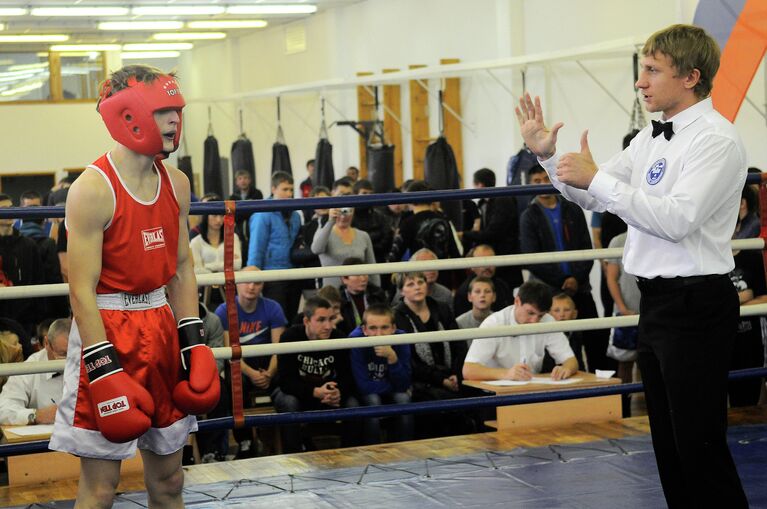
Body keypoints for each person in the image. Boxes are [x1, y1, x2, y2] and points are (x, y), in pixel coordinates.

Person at [515, 24, 748, 507]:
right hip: (658, 303)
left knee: (699, 446)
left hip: (698, 302)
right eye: (642, 69)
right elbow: (590, 193)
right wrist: (549, 154)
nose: (640, 82)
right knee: (667, 445)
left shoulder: (716, 141)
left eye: (651, 70)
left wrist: (599, 177)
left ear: (690, 77)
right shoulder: (649, 138)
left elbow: (676, 220)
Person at [49, 65, 220, 509]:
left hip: (161, 325)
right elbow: (80, 289)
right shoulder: (92, 188)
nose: (173, 122)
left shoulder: (177, 183)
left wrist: (193, 341)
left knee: (170, 482)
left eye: (177, 111)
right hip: (106, 327)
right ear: (128, 114)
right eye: (162, 110)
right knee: (102, 487)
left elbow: (182, 266)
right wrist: (104, 369)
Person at [520, 165, 612, 372]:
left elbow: (586, 249)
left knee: (595, 338)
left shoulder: (572, 208)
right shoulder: (529, 216)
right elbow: (531, 257)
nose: (543, 184)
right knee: (554, 346)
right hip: (548, 291)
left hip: (580, 287)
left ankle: (608, 392)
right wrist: (562, 280)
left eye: (546, 178)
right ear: (529, 184)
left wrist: (574, 279)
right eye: (536, 181)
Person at [214, 266, 287, 458]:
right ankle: (245, 441)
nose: (251, 286)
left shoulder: (273, 307)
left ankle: (287, 438)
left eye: (257, 282)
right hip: (241, 364)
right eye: (247, 281)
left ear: (263, 285)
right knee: (234, 381)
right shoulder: (224, 310)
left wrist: (270, 372)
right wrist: (252, 374)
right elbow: (230, 352)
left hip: (268, 362)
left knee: (287, 378)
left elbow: (278, 349)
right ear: (237, 283)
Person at [275, 297, 359, 453]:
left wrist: (337, 392)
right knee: (288, 402)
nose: (328, 326)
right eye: (321, 320)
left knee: (352, 403)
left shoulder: (338, 337)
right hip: (299, 393)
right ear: (306, 321)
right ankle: (293, 457)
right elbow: (286, 382)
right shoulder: (290, 337)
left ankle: (350, 454)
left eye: (330, 319)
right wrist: (315, 392)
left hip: (328, 394)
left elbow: (348, 377)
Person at [463, 281, 578, 381]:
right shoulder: (494, 323)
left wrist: (565, 369)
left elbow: (571, 360)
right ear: (517, 301)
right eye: (530, 313)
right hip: (495, 395)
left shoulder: (547, 320)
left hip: (531, 391)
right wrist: (506, 374)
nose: (534, 321)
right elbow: (468, 370)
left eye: (540, 316)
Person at [349, 304, 413, 444]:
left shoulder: (401, 339)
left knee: (403, 399)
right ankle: (372, 452)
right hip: (368, 393)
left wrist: (393, 359)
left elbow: (404, 384)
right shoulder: (356, 340)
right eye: (373, 328)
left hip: (387, 388)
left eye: (384, 328)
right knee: (373, 402)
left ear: (393, 328)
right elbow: (363, 387)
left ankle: (405, 450)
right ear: (364, 330)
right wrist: (394, 386)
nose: (379, 334)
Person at [247, 171, 302, 319]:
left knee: (291, 317)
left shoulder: (295, 215)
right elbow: (256, 248)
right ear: (273, 189)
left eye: (291, 189)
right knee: (277, 319)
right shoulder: (263, 214)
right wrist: (252, 278)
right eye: (285, 189)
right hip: (272, 276)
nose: (289, 193)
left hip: (293, 273)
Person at [461, 168, 523, 290]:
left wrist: (464, 234)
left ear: (479, 185)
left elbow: (493, 233)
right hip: (497, 260)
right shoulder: (487, 203)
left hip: (506, 260)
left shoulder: (502, 200)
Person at [0, 318, 70, 425]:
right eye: (63, 354)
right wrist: (37, 415)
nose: (69, 360)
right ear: (46, 343)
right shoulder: (31, 367)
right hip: (44, 438)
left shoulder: (89, 359)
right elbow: (4, 410)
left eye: (74, 353)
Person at [189, 194, 243, 309]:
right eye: (214, 215)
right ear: (206, 216)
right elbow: (197, 270)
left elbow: (237, 265)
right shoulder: (196, 242)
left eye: (221, 215)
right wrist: (225, 266)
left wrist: (208, 266)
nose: (219, 220)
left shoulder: (233, 237)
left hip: (230, 289)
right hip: (206, 294)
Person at [311, 201, 379, 288]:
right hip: (332, 292)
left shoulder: (363, 236)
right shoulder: (324, 233)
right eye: (340, 211)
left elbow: (372, 267)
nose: (343, 216)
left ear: (353, 211)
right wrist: (330, 221)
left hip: (358, 292)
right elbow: (316, 249)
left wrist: (377, 291)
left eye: (347, 211)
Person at [291, 185, 331, 297]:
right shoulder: (306, 228)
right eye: (318, 200)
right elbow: (294, 255)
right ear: (312, 204)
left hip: (336, 280)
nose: (322, 204)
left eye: (326, 200)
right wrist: (317, 250)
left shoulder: (340, 225)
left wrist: (310, 250)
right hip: (312, 283)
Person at [453, 244, 513, 317]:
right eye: (482, 261)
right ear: (472, 266)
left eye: (491, 261)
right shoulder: (463, 292)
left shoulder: (502, 285)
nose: (487, 266)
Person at [337, 257, 387, 336]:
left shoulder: (377, 294)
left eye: (365, 274)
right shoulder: (338, 301)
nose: (363, 278)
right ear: (344, 279)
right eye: (358, 275)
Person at [352, 179, 394, 263]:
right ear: (355, 194)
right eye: (364, 193)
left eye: (370, 193)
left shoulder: (380, 217)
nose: (368, 196)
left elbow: (388, 238)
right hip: (355, 260)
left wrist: (371, 248)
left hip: (377, 258)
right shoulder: (349, 217)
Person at [547, 293, 585, 372]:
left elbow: (579, 362)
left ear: (575, 314)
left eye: (567, 310)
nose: (562, 314)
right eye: (556, 310)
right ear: (549, 315)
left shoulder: (577, 334)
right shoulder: (545, 334)